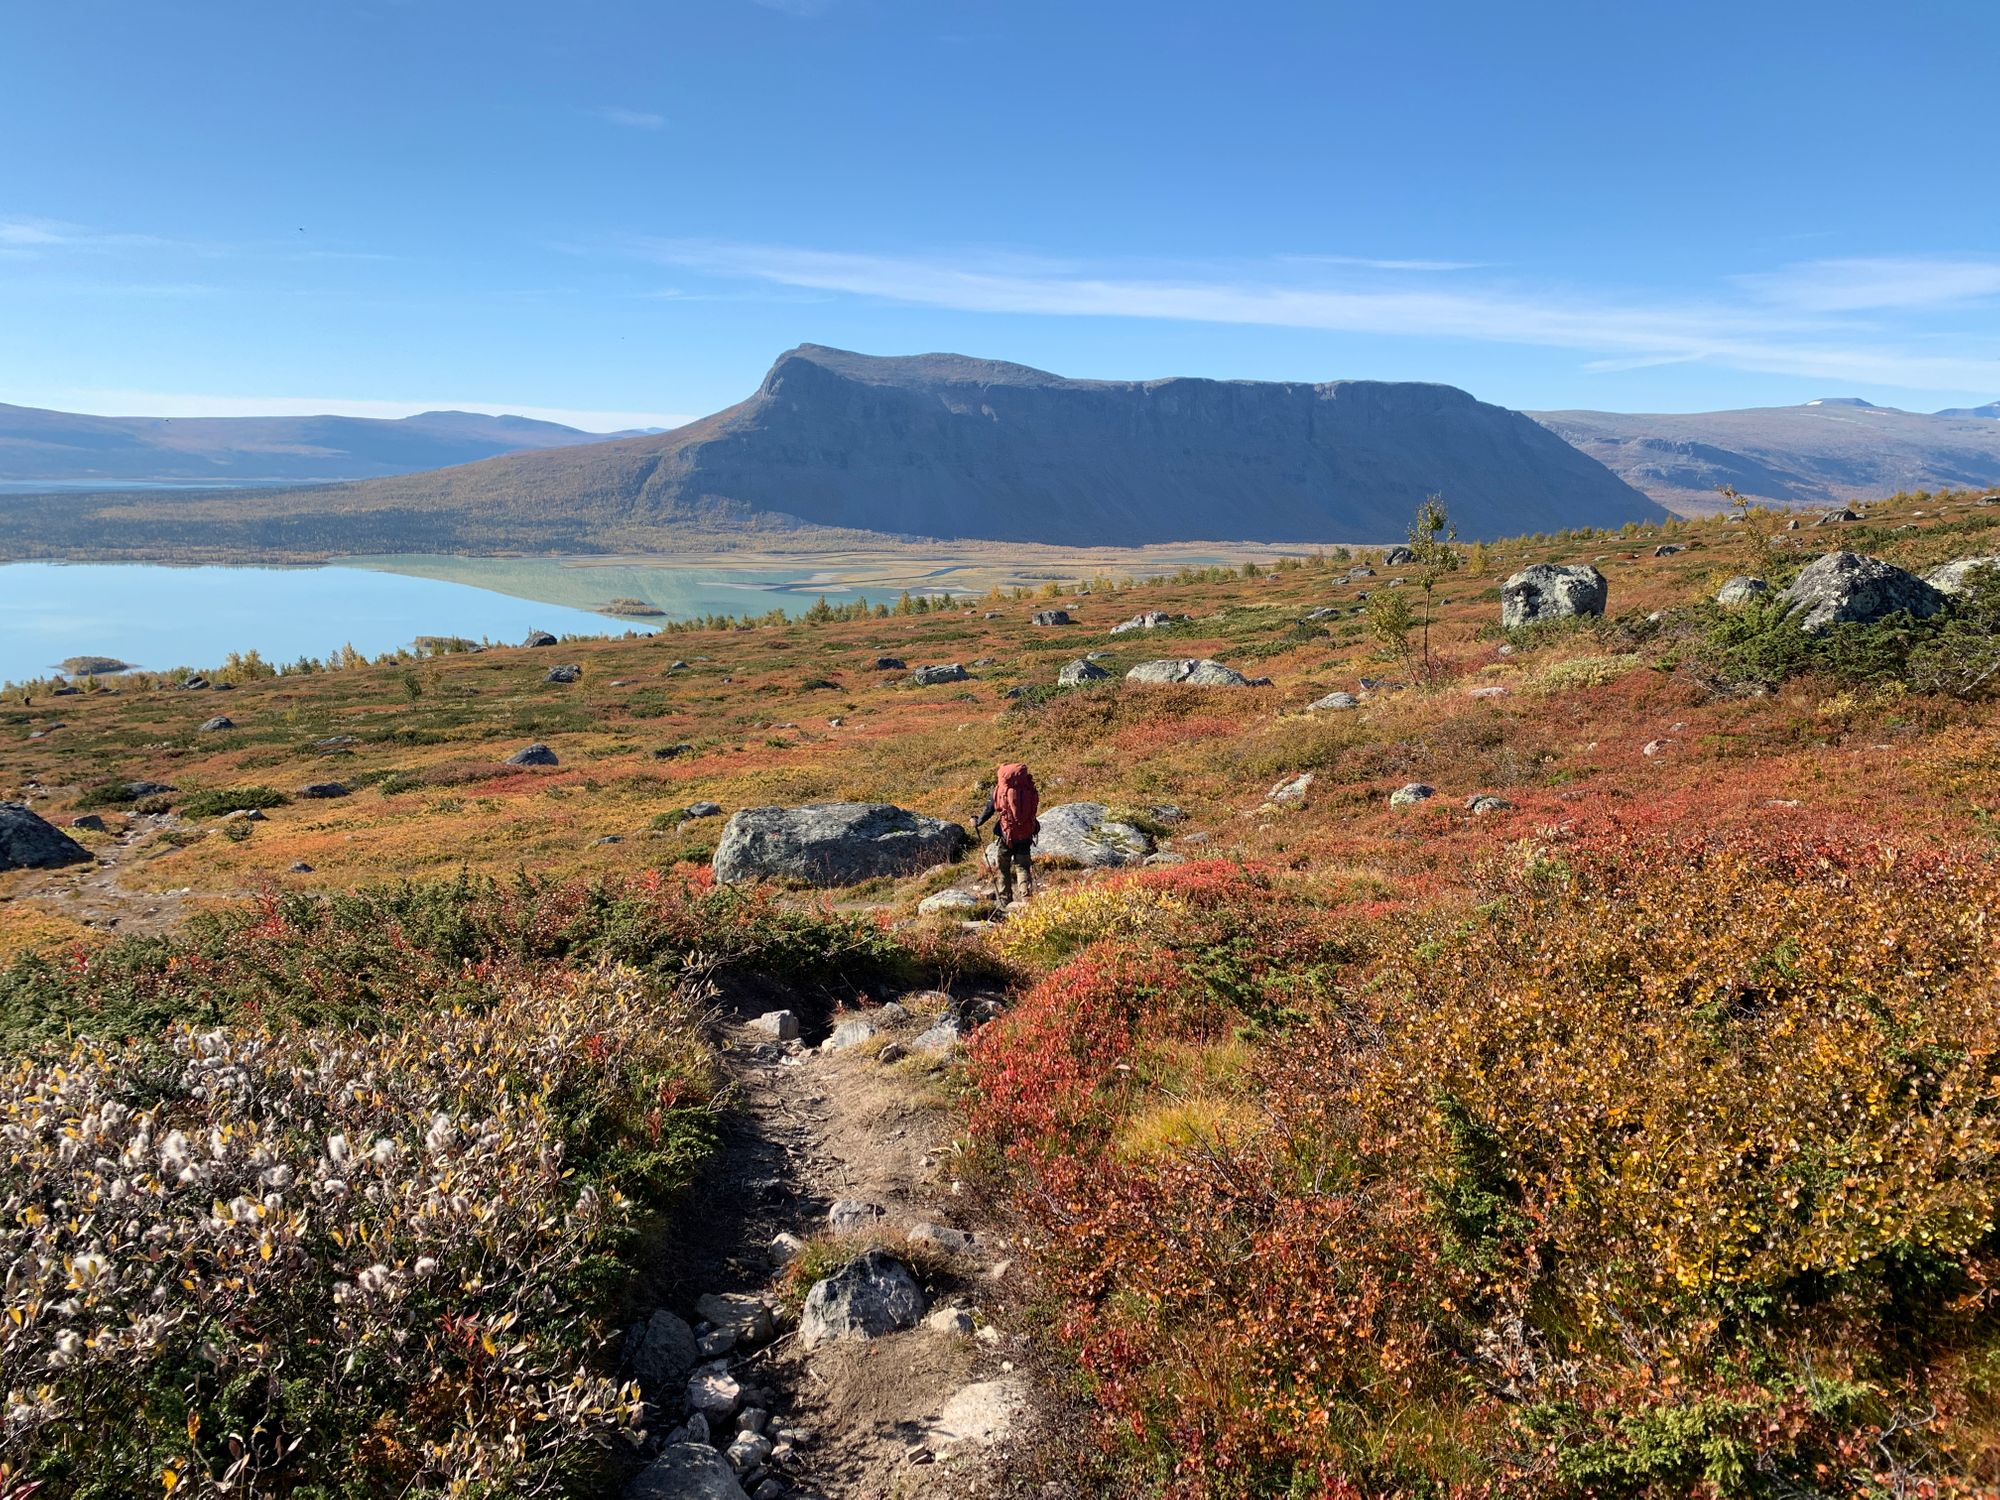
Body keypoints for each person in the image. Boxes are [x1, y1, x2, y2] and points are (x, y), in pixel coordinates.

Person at [974, 762, 1040, 906]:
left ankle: (1005, 900)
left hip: (1006, 835)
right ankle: (1027, 899)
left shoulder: (999, 791)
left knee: (1003, 867)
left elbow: (989, 810)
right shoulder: (1029, 788)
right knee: (1022, 866)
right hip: (1026, 834)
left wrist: (977, 822)